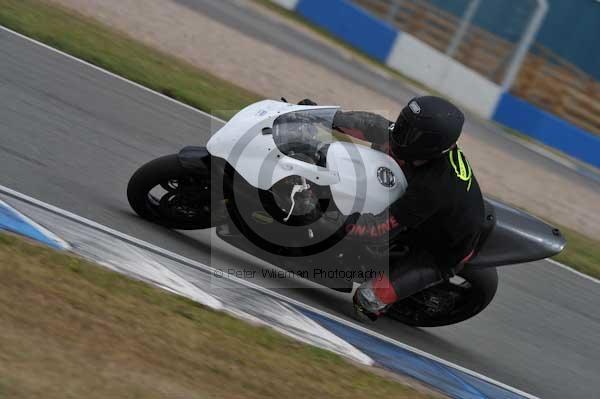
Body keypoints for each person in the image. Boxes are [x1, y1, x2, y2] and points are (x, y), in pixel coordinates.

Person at [299, 96, 485, 322]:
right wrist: (321, 116)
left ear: (430, 143)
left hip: (439, 251)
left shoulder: (433, 187)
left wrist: (323, 217)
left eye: (409, 132)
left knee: (366, 300)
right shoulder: (415, 145)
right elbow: (372, 125)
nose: (400, 131)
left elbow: (378, 228)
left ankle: (385, 297)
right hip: (422, 212)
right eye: (403, 122)